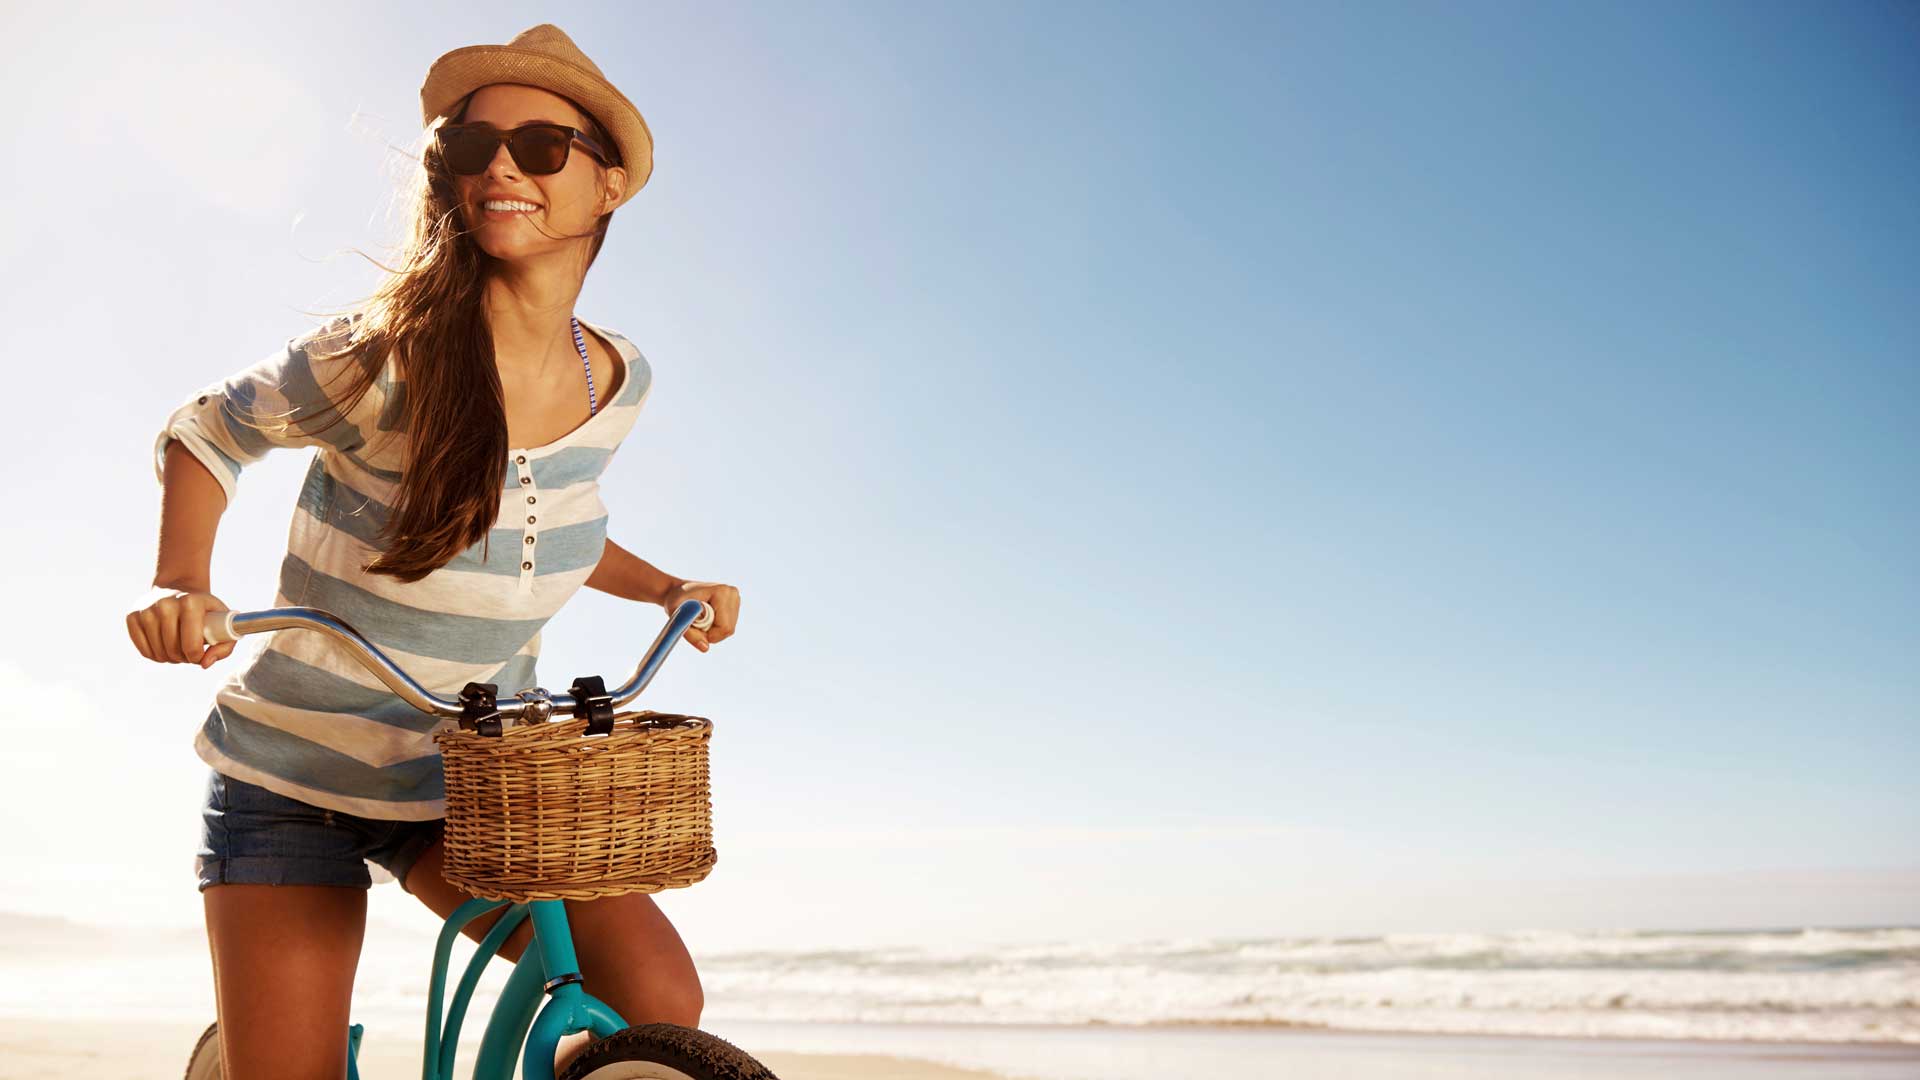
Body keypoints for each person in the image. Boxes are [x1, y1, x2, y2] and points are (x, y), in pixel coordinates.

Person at [123, 24, 741, 1080]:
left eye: (543, 146)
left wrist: (666, 587)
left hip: (472, 774)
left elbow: (544, 524)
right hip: (295, 776)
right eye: (470, 146)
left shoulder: (616, 379)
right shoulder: (379, 361)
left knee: (656, 996)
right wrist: (183, 583)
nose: (500, 164)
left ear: (607, 188)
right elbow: (206, 431)